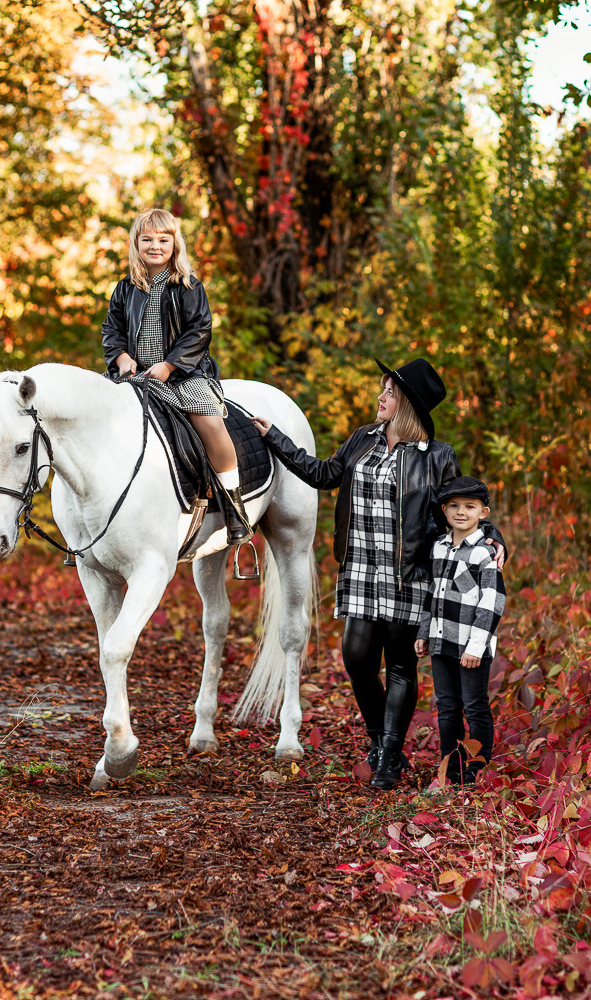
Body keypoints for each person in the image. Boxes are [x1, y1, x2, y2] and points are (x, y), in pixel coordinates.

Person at [251, 358, 506, 791]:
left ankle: (388, 754)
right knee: (357, 658)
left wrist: (493, 535)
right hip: (362, 569)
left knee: (402, 665)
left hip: (409, 574)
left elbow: (459, 508)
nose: (380, 397)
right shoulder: (363, 440)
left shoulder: (437, 456)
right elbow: (323, 474)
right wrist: (274, 438)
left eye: (389, 391)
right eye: (382, 390)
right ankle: (379, 740)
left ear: (406, 402)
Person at [101, 207, 251, 545]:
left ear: (174, 244)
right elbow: (111, 329)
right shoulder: (125, 288)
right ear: (136, 244)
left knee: (210, 423)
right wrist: (121, 356)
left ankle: (233, 503)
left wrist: (170, 365)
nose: (156, 246)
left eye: (163, 239)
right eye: (148, 239)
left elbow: (199, 330)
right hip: (136, 376)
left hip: (184, 374)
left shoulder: (187, 285)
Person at [415, 477, 506, 786]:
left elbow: (492, 602)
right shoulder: (439, 547)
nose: (461, 512)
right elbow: (433, 593)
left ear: (483, 512)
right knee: (448, 707)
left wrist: (476, 645)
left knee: (475, 705)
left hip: (471, 645)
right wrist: (424, 633)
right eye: (453, 506)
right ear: (444, 510)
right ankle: (450, 769)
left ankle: (477, 769)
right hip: (442, 640)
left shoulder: (486, 553)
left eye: (469, 507)